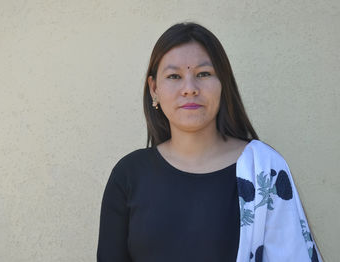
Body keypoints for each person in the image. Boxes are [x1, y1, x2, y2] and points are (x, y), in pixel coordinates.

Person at [97, 22, 323, 262]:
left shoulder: (264, 171)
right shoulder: (129, 175)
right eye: (174, 76)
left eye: (203, 74)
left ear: (223, 83)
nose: (190, 89)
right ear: (154, 89)